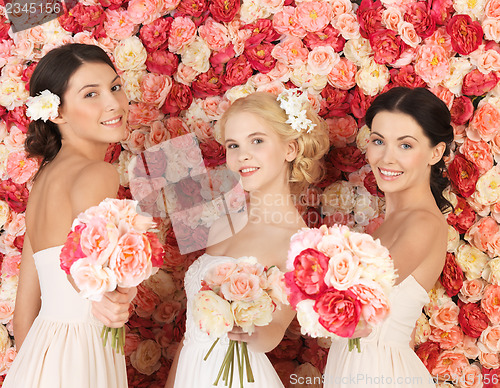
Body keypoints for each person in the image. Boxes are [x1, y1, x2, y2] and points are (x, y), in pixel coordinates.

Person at [165, 90, 330, 387]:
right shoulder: (222, 225)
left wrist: (253, 333)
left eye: (257, 141)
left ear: (290, 148)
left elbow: (276, 327)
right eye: (233, 145)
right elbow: (193, 330)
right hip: (191, 372)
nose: (242, 155)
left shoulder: (300, 243)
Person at [3, 43, 137, 388]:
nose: (113, 103)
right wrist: (114, 300)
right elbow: (86, 271)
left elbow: (23, 315)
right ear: (56, 112)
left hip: (40, 353)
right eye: (91, 94)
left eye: (115, 87)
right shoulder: (98, 174)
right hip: (83, 351)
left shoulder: (42, 181)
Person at [324, 87, 453, 388]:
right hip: (360, 367)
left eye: (405, 146)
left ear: (436, 152)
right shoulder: (392, 221)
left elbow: (355, 299)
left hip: (380, 372)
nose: (386, 158)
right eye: (379, 141)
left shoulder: (422, 222)